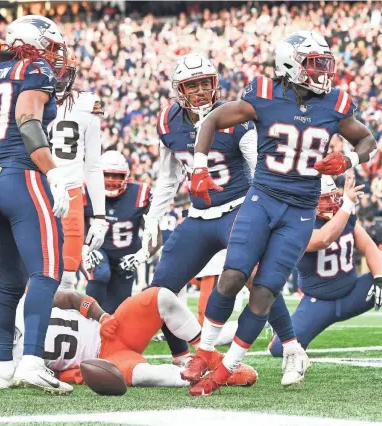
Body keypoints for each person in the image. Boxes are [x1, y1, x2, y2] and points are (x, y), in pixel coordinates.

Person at [184, 30, 378, 396]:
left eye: (324, 63)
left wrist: (349, 158)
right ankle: (204, 351)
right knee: (232, 276)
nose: (322, 71)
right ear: (290, 64)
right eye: (313, 63)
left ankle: (227, 368)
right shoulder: (263, 93)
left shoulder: (334, 103)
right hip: (264, 197)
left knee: (265, 292)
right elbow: (210, 120)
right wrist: (199, 166)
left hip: (301, 209)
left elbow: (367, 140)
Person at [126, 53, 302, 380]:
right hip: (199, 216)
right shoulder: (169, 121)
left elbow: (258, 167)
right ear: (179, 89)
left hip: (238, 208)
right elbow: (168, 178)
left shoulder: (234, 117)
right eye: (191, 85)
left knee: (255, 277)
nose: (199, 91)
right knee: (160, 289)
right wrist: (152, 220)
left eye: (204, 83)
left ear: (214, 84)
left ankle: (292, 347)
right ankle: (183, 356)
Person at [269, 175, 382, 359]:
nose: (332, 203)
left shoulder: (345, 215)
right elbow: (323, 239)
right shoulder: (298, 223)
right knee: (280, 349)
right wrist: (346, 206)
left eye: (334, 196)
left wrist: (380, 279)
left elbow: (369, 247)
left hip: (352, 293)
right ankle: (275, 325)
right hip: (318, 302)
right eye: (326, 199)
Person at [0, 15, 72, 393]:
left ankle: (2, 368)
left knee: (9, 283)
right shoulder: (34, 67)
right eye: (52, 48)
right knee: (47, 271)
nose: (56, 57)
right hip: (21, 174)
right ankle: (33, 362)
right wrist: (52, 171)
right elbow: (26, 119)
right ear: (33, 44)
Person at [0, 287, 256, 390]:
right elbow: (56, 376)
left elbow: (71, 298)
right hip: (106, 359)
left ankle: (210, 355)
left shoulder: (20, 306)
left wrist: (102, 317)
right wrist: (75, 374)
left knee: (161, 296)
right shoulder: (13, 364)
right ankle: (210, 376)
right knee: (146, 375)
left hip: (113, 329)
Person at [49, 52, 107, 291]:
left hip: (71, 192)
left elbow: (93, 164)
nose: (59, 80)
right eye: (54, 73)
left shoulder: (86, 103)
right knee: (33, 273)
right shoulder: (30, 97)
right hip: (36, 188)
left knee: (67, 278)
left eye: (64, 74)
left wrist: (100, 217)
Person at [83, 150, 152, 314]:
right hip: (96, 252)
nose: (111, 181)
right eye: (106, 175)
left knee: (117, 311)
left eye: (117, 176)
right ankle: (86, 322)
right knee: (100, 273)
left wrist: (141, 255)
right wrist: (83, 249)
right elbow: (71, 225)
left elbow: (154, 234)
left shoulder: (140, 194)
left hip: (125, 257)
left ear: (126, 176)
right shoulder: (85, 192)